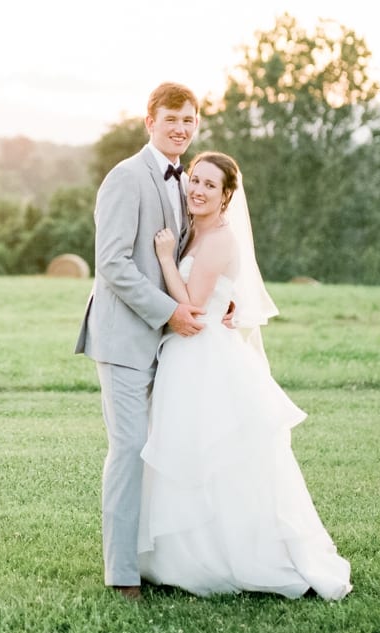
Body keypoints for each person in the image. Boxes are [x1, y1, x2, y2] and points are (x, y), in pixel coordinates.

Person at [138, 151, 352, 600]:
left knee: (215, 458)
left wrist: (163, 259)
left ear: (227, 195)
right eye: (194, 180)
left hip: (204, 356)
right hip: (189, 355)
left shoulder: (219, 239)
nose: (197, 189)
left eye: (210, 185)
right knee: (187, 453)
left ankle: (226, 557)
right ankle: (179, 555)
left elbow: (193, 307)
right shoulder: (196, 230)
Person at [75, 82, 209, 601]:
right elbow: (111, 262)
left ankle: (159, 558)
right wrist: (169, 312)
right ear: (149, 120)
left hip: (168, 343)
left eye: (190, 120)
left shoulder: (186, 180)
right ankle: (122, 573)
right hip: (124, 338)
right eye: (172, 118)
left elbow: (184, 256)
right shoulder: (125, 177)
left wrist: (215, 300)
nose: (181, 128)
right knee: (129, 449)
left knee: (162, 451)